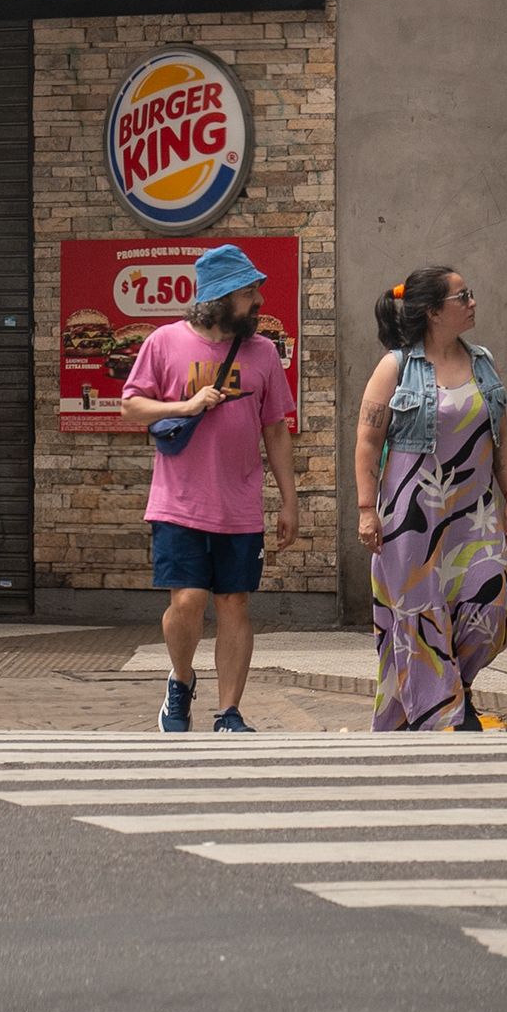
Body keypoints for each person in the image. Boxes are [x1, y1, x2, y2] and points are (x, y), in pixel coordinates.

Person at [120, 244, 299, 732]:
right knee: (188, 601)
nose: (258, 300)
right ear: (220, 298)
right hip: (178, 502)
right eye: (248, 291)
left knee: (234, 604)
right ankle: (180, 682)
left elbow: (276, 428)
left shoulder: (262, 352)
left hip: (240, 504)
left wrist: (289, 500)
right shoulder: (164, 342)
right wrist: (184, 406)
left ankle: (229, 712)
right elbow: (131, 406)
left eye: (257, 289)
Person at [354, 266, 507, 731]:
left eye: (470, 293)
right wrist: (368, 509)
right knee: (419, 614)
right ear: (432, 312)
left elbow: (502, 434)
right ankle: (447, 718)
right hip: (412, 512)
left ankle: (447, 691)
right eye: (461, 296)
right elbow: (368, 439)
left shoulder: (482, 360)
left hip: (474, 510)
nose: (471, 302)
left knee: (491, 608)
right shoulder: (397, 366)